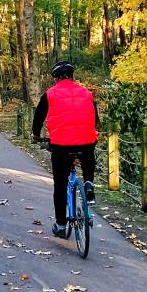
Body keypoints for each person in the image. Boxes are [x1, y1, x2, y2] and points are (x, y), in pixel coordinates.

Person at [31, 61, 98, 238]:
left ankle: (61, 226)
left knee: (60, 185)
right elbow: (94, 118)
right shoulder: (86, 93)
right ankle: (89, 183)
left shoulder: (50, 94)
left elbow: (38, 118)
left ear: (55, 78)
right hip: (86, 142)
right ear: (73, 76)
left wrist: (36, 135)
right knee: (88, 153)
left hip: (61, 145)